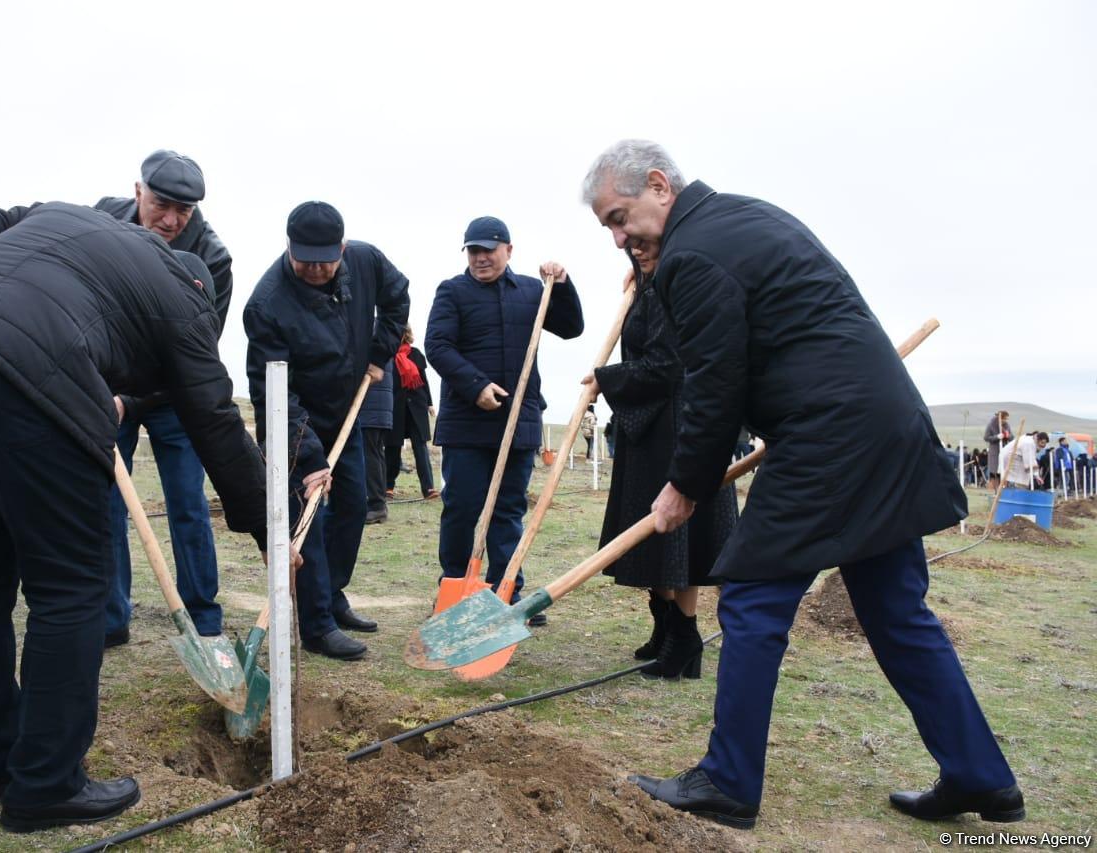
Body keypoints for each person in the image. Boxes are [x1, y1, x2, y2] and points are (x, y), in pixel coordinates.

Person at [584, 139, 1020, 829]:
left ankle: (727, 781)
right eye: (606, 225)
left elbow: (713, 383)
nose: (616, 236)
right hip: (884, 423)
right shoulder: (746, 218)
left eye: (618, 215)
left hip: (829, 437)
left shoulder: (693, 254)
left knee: (754, 597)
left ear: (659, 185)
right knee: (896, 610)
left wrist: (685, 484)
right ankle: (978, 773)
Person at [0, 201, 269, 832]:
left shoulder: (67, 219)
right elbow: (213, 418)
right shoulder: (185, 297)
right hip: (18, 370)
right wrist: (272, 528)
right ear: (199, 289)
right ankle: (46, 785)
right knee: (72, 584)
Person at [244, 201, 409, 660]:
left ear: (343, 247)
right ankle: (316, 625)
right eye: (305, 259)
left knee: (354, 506)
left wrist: (380, 351)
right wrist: (311, 458)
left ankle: (332, 595)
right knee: (308, 522)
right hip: (291, 421)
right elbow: (271, 391)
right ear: (288, 247)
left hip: (345, 411)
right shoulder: (267, 304)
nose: (315, 269)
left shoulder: (366, 260)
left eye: (324, 258)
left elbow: (397, 297)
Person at [95, 150, 235, 647]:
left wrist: (134, 402)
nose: (171, 220)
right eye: (161, 205)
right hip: (111, 384)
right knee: (107, 497)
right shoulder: (102, 221)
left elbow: (195, 356)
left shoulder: (212, 259)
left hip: (175, 392)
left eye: (185, 210)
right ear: (138, 192)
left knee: (186, 500)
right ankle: (111, 615)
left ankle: (201, 609)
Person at [586, 249, 737, 680]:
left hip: (682, 425)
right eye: (634, 251)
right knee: (653, 535)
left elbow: (666, 364)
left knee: (682, 536)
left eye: (647, 249)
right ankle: (666, 625)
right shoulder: (644, 289)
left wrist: (607, 378)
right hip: (650, 427)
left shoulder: (677, 290)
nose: (639, 254)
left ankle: (685, 639)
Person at [426, 216, 583, 623]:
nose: (480, 258)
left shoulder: (533, 291)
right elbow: (437, 346)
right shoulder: (452, 292)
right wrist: (475, 385)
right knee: (462, 507)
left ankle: (506, 588)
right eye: (473, 251)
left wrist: (562, 285)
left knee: (508, 510)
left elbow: (571, 328)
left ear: (508, 251)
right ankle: (455, 587)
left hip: (521, 419)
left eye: (488, 250)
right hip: (467, 421)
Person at [386, 325, 438, 499]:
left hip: (416, 406)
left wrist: (430, 403)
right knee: (393, 447)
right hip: (395, 407)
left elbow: (423, 381)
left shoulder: (415, 354)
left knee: (420, 447)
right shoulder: (387, 355)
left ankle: (428, 488)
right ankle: (388, 486)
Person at [361, 355, 395, 524]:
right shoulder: (382, 341)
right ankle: (378, 502)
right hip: (379, 406)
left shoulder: (369, 338)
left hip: (369, 406)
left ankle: (376, 505)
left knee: (370, 454)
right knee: (375, 453)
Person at [984, 411, 1011, 490]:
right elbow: (986, 437)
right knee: (995, 471)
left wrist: (1007, 435)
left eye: (1006, 419)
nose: (1005, 421)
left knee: (1004, 471)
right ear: (1000, 418)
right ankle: (995, 490)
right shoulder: (991, 425)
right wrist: (997, 437)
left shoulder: (1007, 425)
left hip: (1005, 450)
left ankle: (1003, 489)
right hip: (995, 452)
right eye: (1004, 419)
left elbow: (1011, 436)